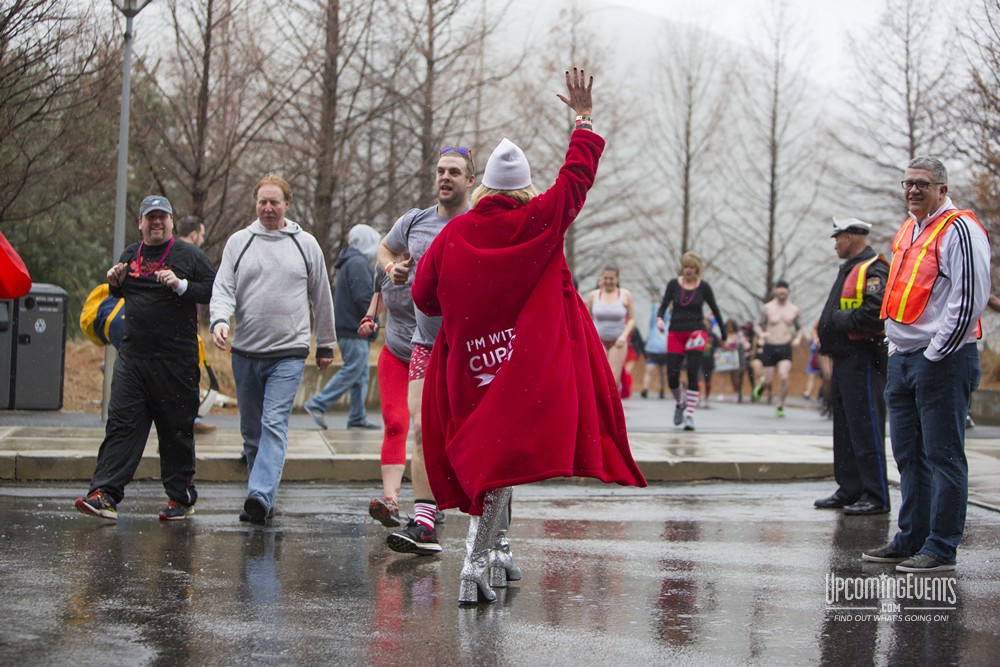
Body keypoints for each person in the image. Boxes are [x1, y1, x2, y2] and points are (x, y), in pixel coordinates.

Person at [411, 67, 646, 604]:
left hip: (467, 367)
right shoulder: (539, 221)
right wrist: (582, 120)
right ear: (524, 188)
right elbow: (576, 179)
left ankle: (495, 550)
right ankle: (474, 563)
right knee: (500, 458)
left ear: (484, 186)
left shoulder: (454, 234)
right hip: (519, 366)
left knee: (491, 457)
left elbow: (424, 298)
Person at [863, 157, 991, 573]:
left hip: (943, 360)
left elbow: (969, 300)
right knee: (908, 456)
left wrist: (936, 353)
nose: (913, 190)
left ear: (942, 189)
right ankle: (911, 538)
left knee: (944, 457)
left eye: (922, 184)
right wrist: (895, 347)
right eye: (908, 183)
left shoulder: (959, 229)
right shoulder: (909, 228)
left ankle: (941, 547)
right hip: (904, 359)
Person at [74, 195, 216, 521]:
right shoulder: (130, 254)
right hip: (133, 359)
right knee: (121, 426)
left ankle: (180, 498)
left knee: (175, 432)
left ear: (171, 221)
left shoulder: (189, 255)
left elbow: (214, 290)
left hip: (176, 362)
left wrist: (181, 285)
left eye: (162, 217)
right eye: (150, 217)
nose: (156, 222)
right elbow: (122, 294)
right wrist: (115, 284)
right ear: (140, 223)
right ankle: (104, 494)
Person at [210, 174, 336, 525]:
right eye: (262, 202)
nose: (267, 208)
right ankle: (263, 496)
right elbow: (223, 288)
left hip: (288, 352)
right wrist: (219, 320)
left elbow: (321, 296)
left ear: (286, 205)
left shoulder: (305, 244)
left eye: (274, 202)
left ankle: (260, 494)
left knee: (273, 423)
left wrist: (325, 343)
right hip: (246, 351)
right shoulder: (240, 242)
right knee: (252, 431)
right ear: (256, 204)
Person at [376, 143, 476, 554]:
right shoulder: (414, 221)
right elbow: (384, 247)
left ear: (470, 180)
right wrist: (392, 268)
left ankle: (489, 529)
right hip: (425, 343)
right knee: (421, 429)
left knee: (472, 436)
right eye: (440, 171)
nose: (445, 178)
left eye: (454, 172)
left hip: (469, 349)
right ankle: (424, 524)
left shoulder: (479, 221)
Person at [814, 217, 890, 516]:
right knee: (845, 428)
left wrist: (838, 321)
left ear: (850, 237)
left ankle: (876, 495)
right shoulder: (851, 267)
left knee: (865, 426)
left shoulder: (873, 268)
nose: (835, 244)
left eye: (838, 237)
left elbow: (876, 310)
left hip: (863, 358)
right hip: (845, 359)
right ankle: (850, 489)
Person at [304, 224, 382, 430]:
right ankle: (317, 403)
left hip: (348, 326)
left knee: (361, 374)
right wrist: (373, 318)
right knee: (353, 369)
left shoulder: (349, 261)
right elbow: (364, 296)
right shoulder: (358, 263)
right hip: (354, 327)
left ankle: (357, 417)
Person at [358, 260, 418, 528]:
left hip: (431, 353)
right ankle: (390, 501)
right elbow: (378, 301)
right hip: (395, 354)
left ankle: (432, 501)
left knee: (428, 429)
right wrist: (369, 320)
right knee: (395, 423)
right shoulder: (385, 264)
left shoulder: (436, 255)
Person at [656, 251, 725, 431]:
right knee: (672, 375)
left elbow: (715, 309)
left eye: (692, 268)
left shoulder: (704, 287)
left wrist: (724, 334)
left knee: (693, 373)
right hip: (675, 332)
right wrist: (660, 319)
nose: (688, 270)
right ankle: (680, 403)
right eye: (686, 267)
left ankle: (690, 415)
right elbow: (663, 306)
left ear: (697, 270)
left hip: (696, 332)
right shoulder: (673, 284)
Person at [176, 215, 218, 435]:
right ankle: (188, 421)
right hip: (182, 331)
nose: (202, 239)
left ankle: (189, 419)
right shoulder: (193, 257)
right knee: (186, 376)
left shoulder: (170, 253)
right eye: (201, 235)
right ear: (194, 235)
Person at [752, 279, 803, 417]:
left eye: (784, 288)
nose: (782, 291)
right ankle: (762, 386)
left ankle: (780, 405)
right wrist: (761, 333)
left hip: (785, 346)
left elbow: (800, 328)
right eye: (779, 288)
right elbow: (756, 324)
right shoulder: (768, 308)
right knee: (768, 380)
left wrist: (798, 338)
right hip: (770, 346)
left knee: (784, 376)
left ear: (788, 291)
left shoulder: (794, 310)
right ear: (776, 291)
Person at [586, 264, 636, 390]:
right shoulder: (593, 296)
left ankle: (614, 400)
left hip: (618, 342)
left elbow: (631, 319)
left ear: (617, 279)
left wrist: (624, 336)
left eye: (611, 279)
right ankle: (599, 402)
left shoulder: (625, 295)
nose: (608, 281)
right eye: (606, 278)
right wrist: (590, 337)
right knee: (599, 377)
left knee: (612, 380)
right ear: (602, 278)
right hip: (598, 341)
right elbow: (587, 319)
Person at [641, 300, 668, 399]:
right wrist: (653, 303)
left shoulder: (668, 326)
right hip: (653, 351)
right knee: (649, 370)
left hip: (664, 352)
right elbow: (654, 315)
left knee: (663, 372)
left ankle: (662, 389)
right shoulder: (654, 325)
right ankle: (645, 389)